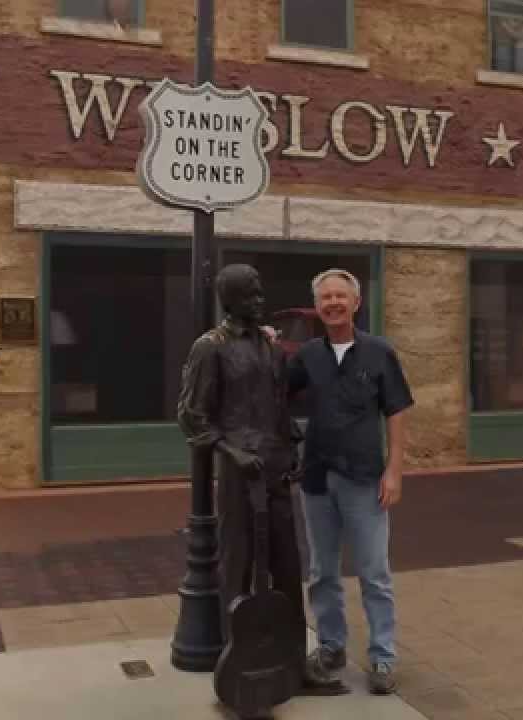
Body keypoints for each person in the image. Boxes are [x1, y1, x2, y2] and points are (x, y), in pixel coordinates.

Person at [177, 264, 345, 698]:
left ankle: (293, 661)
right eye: (251, 294)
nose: (259, 300)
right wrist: (231, 452)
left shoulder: (272, 350)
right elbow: (192, 415)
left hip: (275, 470)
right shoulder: (209, 348)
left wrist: (291, 448)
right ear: (230, 299)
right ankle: (238, 666)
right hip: (238, 476)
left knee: (288, 568)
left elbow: (278, 407)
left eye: (260, 292)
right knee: (238, 567)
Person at [289, 268, 414, 695]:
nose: (334, 303)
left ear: (356, 303)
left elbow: (396, 412)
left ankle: (381, 657)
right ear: (317, 306)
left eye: (341, 296)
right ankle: (330, 648)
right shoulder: (307, 356)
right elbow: (274, 392)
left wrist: (394, 470)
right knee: (322, 571)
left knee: (373, 572)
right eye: (326, 297)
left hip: (364, 479)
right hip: (317, 478)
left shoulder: (380, 353)